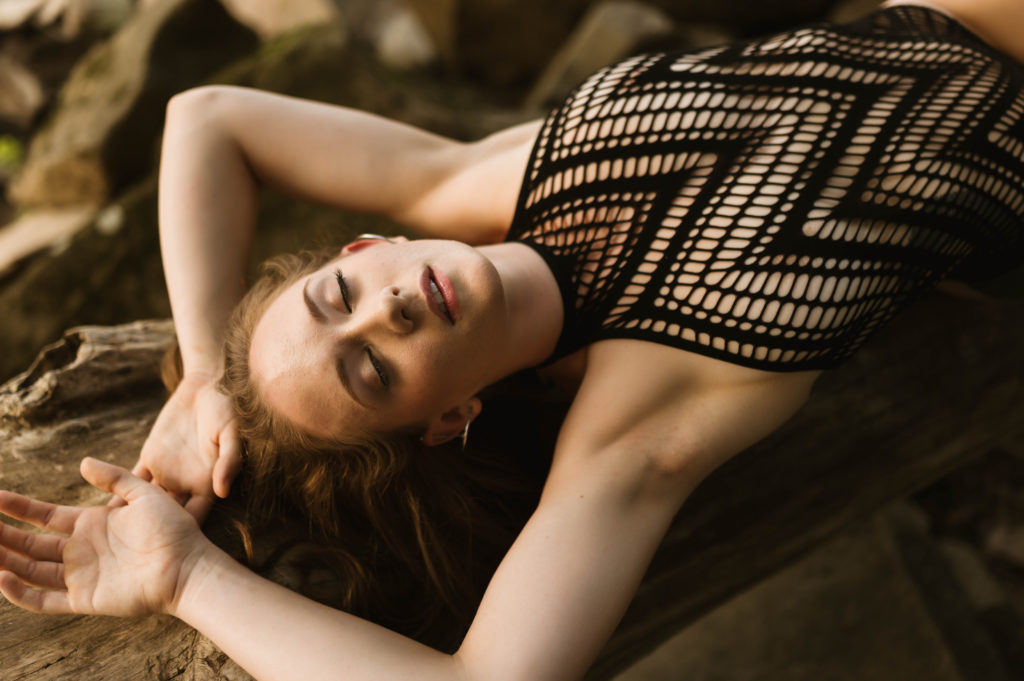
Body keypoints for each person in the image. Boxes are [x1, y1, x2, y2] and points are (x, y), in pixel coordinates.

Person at [1, 0, 1022, 679]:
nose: (382, 311)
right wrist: (188, 581)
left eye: (339, 294)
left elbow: (205, 115)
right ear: (448, 417)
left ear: (367, 243)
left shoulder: (477, 180)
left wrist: (206, 376)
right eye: (369, 368)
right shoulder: (648, 416)